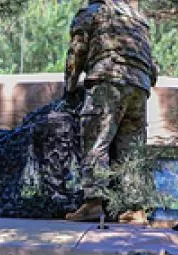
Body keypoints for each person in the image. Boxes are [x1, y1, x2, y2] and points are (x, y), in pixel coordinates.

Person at [63, 0, 158, 221]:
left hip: (108, 79)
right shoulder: (138, 18)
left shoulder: (92, 12)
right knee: (131, 151)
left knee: (97, 141)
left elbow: (77, 51)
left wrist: (69, 86)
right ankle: (135, 209)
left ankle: (93, 203)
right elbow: (153, 67)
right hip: (139, 87)